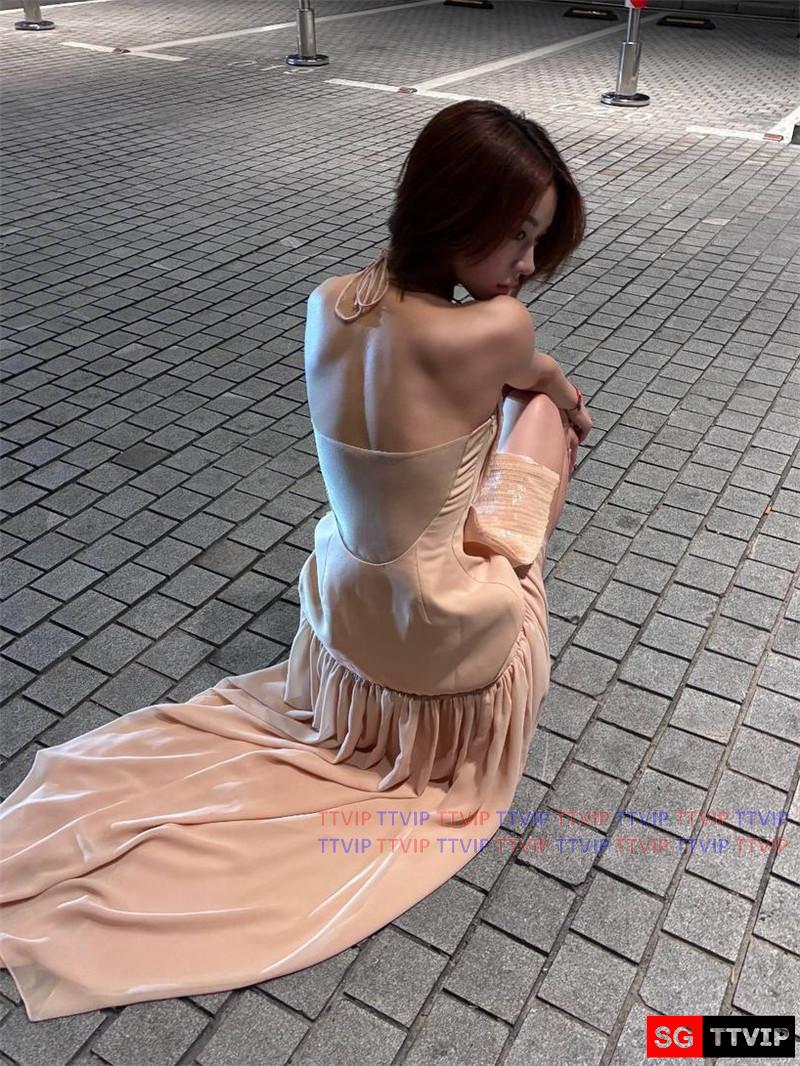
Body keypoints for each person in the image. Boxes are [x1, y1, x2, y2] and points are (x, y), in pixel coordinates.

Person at [0, 99, 591, 1023]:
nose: (525, 264)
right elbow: (537, 376)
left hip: (344, 608)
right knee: (546, 416)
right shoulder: (498, 327)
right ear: (454, 211)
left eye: (536, 240)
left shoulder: (329, 300)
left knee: (485, 436)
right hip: (439, 630)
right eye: (517, 235)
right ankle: (506, 577)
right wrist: (556, 395)